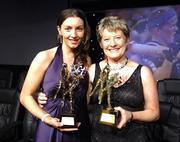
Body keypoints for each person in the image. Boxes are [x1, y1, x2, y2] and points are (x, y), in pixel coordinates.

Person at [20, 8, 91, 142]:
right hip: (50, 126)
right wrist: (46, 117)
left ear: (84, 30)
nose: (74, 34)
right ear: (59, 30)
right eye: (68, 28)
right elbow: (25, 96)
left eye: (79, 29)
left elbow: (85, 98)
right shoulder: (44, 57)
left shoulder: (86, 60)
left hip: (80, 126)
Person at [88, 16, 160, 142]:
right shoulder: (93, 70)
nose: (112, 44)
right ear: (100, 44)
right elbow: (81, 102)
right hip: (99, 137)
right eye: (106, 39)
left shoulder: (143, 72)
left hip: (134, 137)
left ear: (127, 40)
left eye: (118, 38)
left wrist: (131, 115)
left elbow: (154, 113)